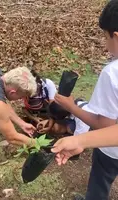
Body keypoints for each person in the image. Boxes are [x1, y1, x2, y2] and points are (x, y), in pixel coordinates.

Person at [51, 1, 118, 199]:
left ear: (115, 36)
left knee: (100, 182)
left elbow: (104, 125)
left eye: (105, 36)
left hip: (111, 151)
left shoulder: (112, 73)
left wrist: (72, 107)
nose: (105, 44)